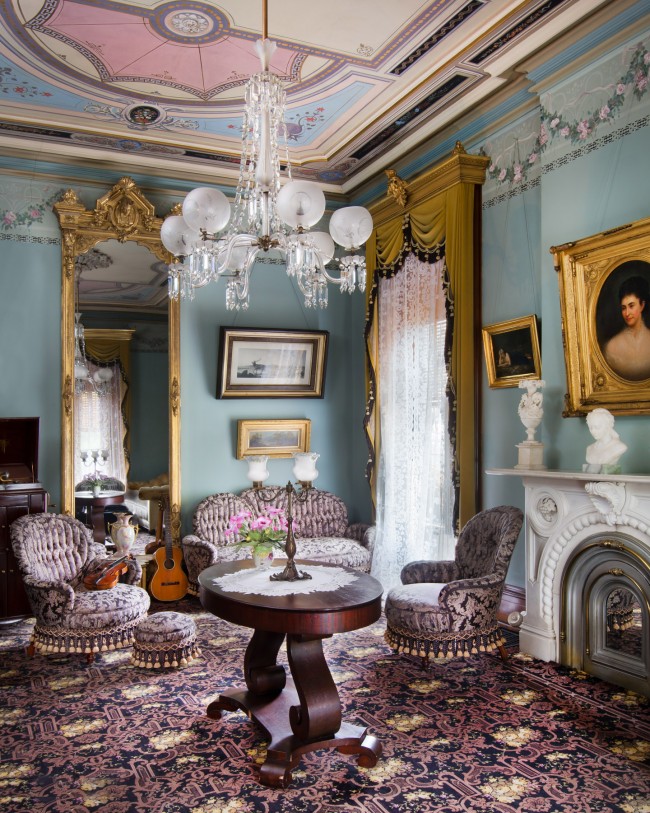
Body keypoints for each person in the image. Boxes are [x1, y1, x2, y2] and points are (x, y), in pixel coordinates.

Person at [603, 275, 650, 381]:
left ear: (642, 305)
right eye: (624, 308)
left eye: (631, 306)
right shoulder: (612, 346)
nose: (627, 313)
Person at [583, 408, 627, 473]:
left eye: (597, 427)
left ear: (608, 426)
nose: (593, 431)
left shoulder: (619, 447)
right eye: (590, 427)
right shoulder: (589, 448)